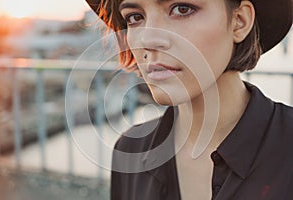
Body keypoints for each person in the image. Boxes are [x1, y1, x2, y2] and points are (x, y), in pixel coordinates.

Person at [85, 0, 293, 199]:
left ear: (240, 21)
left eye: (182, 9)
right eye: (135, 17)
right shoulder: (131, 152)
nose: (148, 40)